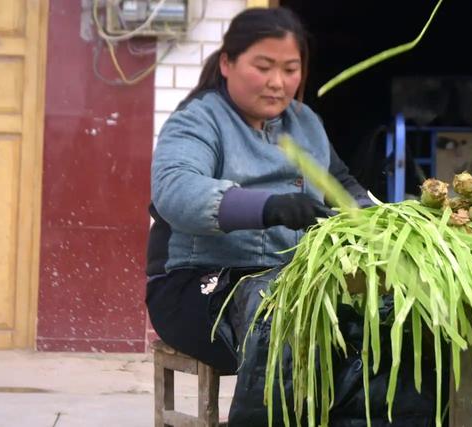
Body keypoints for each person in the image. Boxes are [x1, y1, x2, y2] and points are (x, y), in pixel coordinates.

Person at [145, 7, 371, 375]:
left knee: (374, 328)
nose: (278, 82)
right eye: (263, 67)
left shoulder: (306, 122)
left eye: (290, 69)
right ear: (227, 64)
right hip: (202, 289)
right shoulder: (198, 119)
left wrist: (371, 216)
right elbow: (176, 190)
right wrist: (269, 207)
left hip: (289, 281)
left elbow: (340, 183)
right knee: (285, 328)